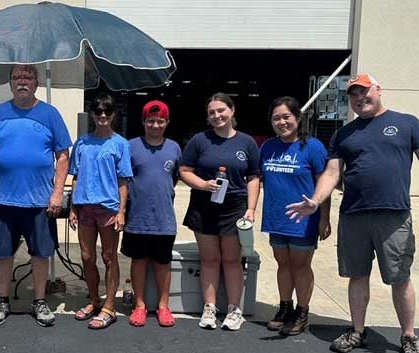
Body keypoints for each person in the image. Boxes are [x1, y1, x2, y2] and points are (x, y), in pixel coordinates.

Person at [287, 73, 419, 353]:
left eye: (365, 92)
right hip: (354, 215)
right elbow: (332, 173)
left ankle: (408, 336)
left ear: (379, 90)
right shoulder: (344, 134)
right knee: (358, 275)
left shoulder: (407, 123)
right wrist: (315, 201)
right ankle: (357, 330)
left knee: (400, 278)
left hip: (393, 216)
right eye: (354, 95)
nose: (359, 98)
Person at [0, 64, 72, 327]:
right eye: (17, 77)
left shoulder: (50, 114)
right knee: (2, 253)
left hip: (40, 201)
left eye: (27, 77)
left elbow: (63, 156)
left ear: (36, 83)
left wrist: (57, 194)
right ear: (10, 83)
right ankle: (3, 299)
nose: (22, 81)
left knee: (40, 254)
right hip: (2, 200)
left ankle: (39, 301)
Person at [179, 92, 260, 331]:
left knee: (232, 260)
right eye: (212, 112)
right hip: (204, 206)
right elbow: (184, 170)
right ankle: (210, 307)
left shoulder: (247, 142)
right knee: (210, 259)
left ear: (232, 111)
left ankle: (235, 309)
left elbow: (254, 176)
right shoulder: (199, 141)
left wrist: (251, 209)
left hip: (234, 207)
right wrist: (202, 184)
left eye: (221, 110)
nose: (217, 116)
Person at [260, 96, 331, 336]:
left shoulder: (313, 147)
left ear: (298, 118)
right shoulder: (268, 147)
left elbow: (325, 183)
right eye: (276, 118)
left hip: (304, 220)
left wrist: (324, 217)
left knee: (300, 265)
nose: (282, 122)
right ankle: (285, 307)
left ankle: (302, 311)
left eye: (286, 117)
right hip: (276, 217)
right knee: (283, 263)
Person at [69, 93, 133, 329]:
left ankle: (109, 307)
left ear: (113, 114)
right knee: (86, 257)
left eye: (107, 111)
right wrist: (73, 208)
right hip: (84, 207)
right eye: (98, 111)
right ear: (92, 115)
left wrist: (121, 211)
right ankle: (94, 300)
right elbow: (75, 177)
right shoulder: (82, 143)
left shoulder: (120, 144)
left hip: (108, 207)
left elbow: (123, 180)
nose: (103, 115)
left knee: (109, 257)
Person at [121, 100, 182, 328]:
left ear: (167, 122)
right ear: (143, 122)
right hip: (137, 218)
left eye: (160, 121)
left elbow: (174, 178)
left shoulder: (174, 147)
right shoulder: (131, 146)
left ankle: (163, 306)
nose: (155, 125)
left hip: (164, 219)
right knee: (138, 261)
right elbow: (124, 180)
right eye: (150, 121)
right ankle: (139, 305)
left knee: (162, 262)